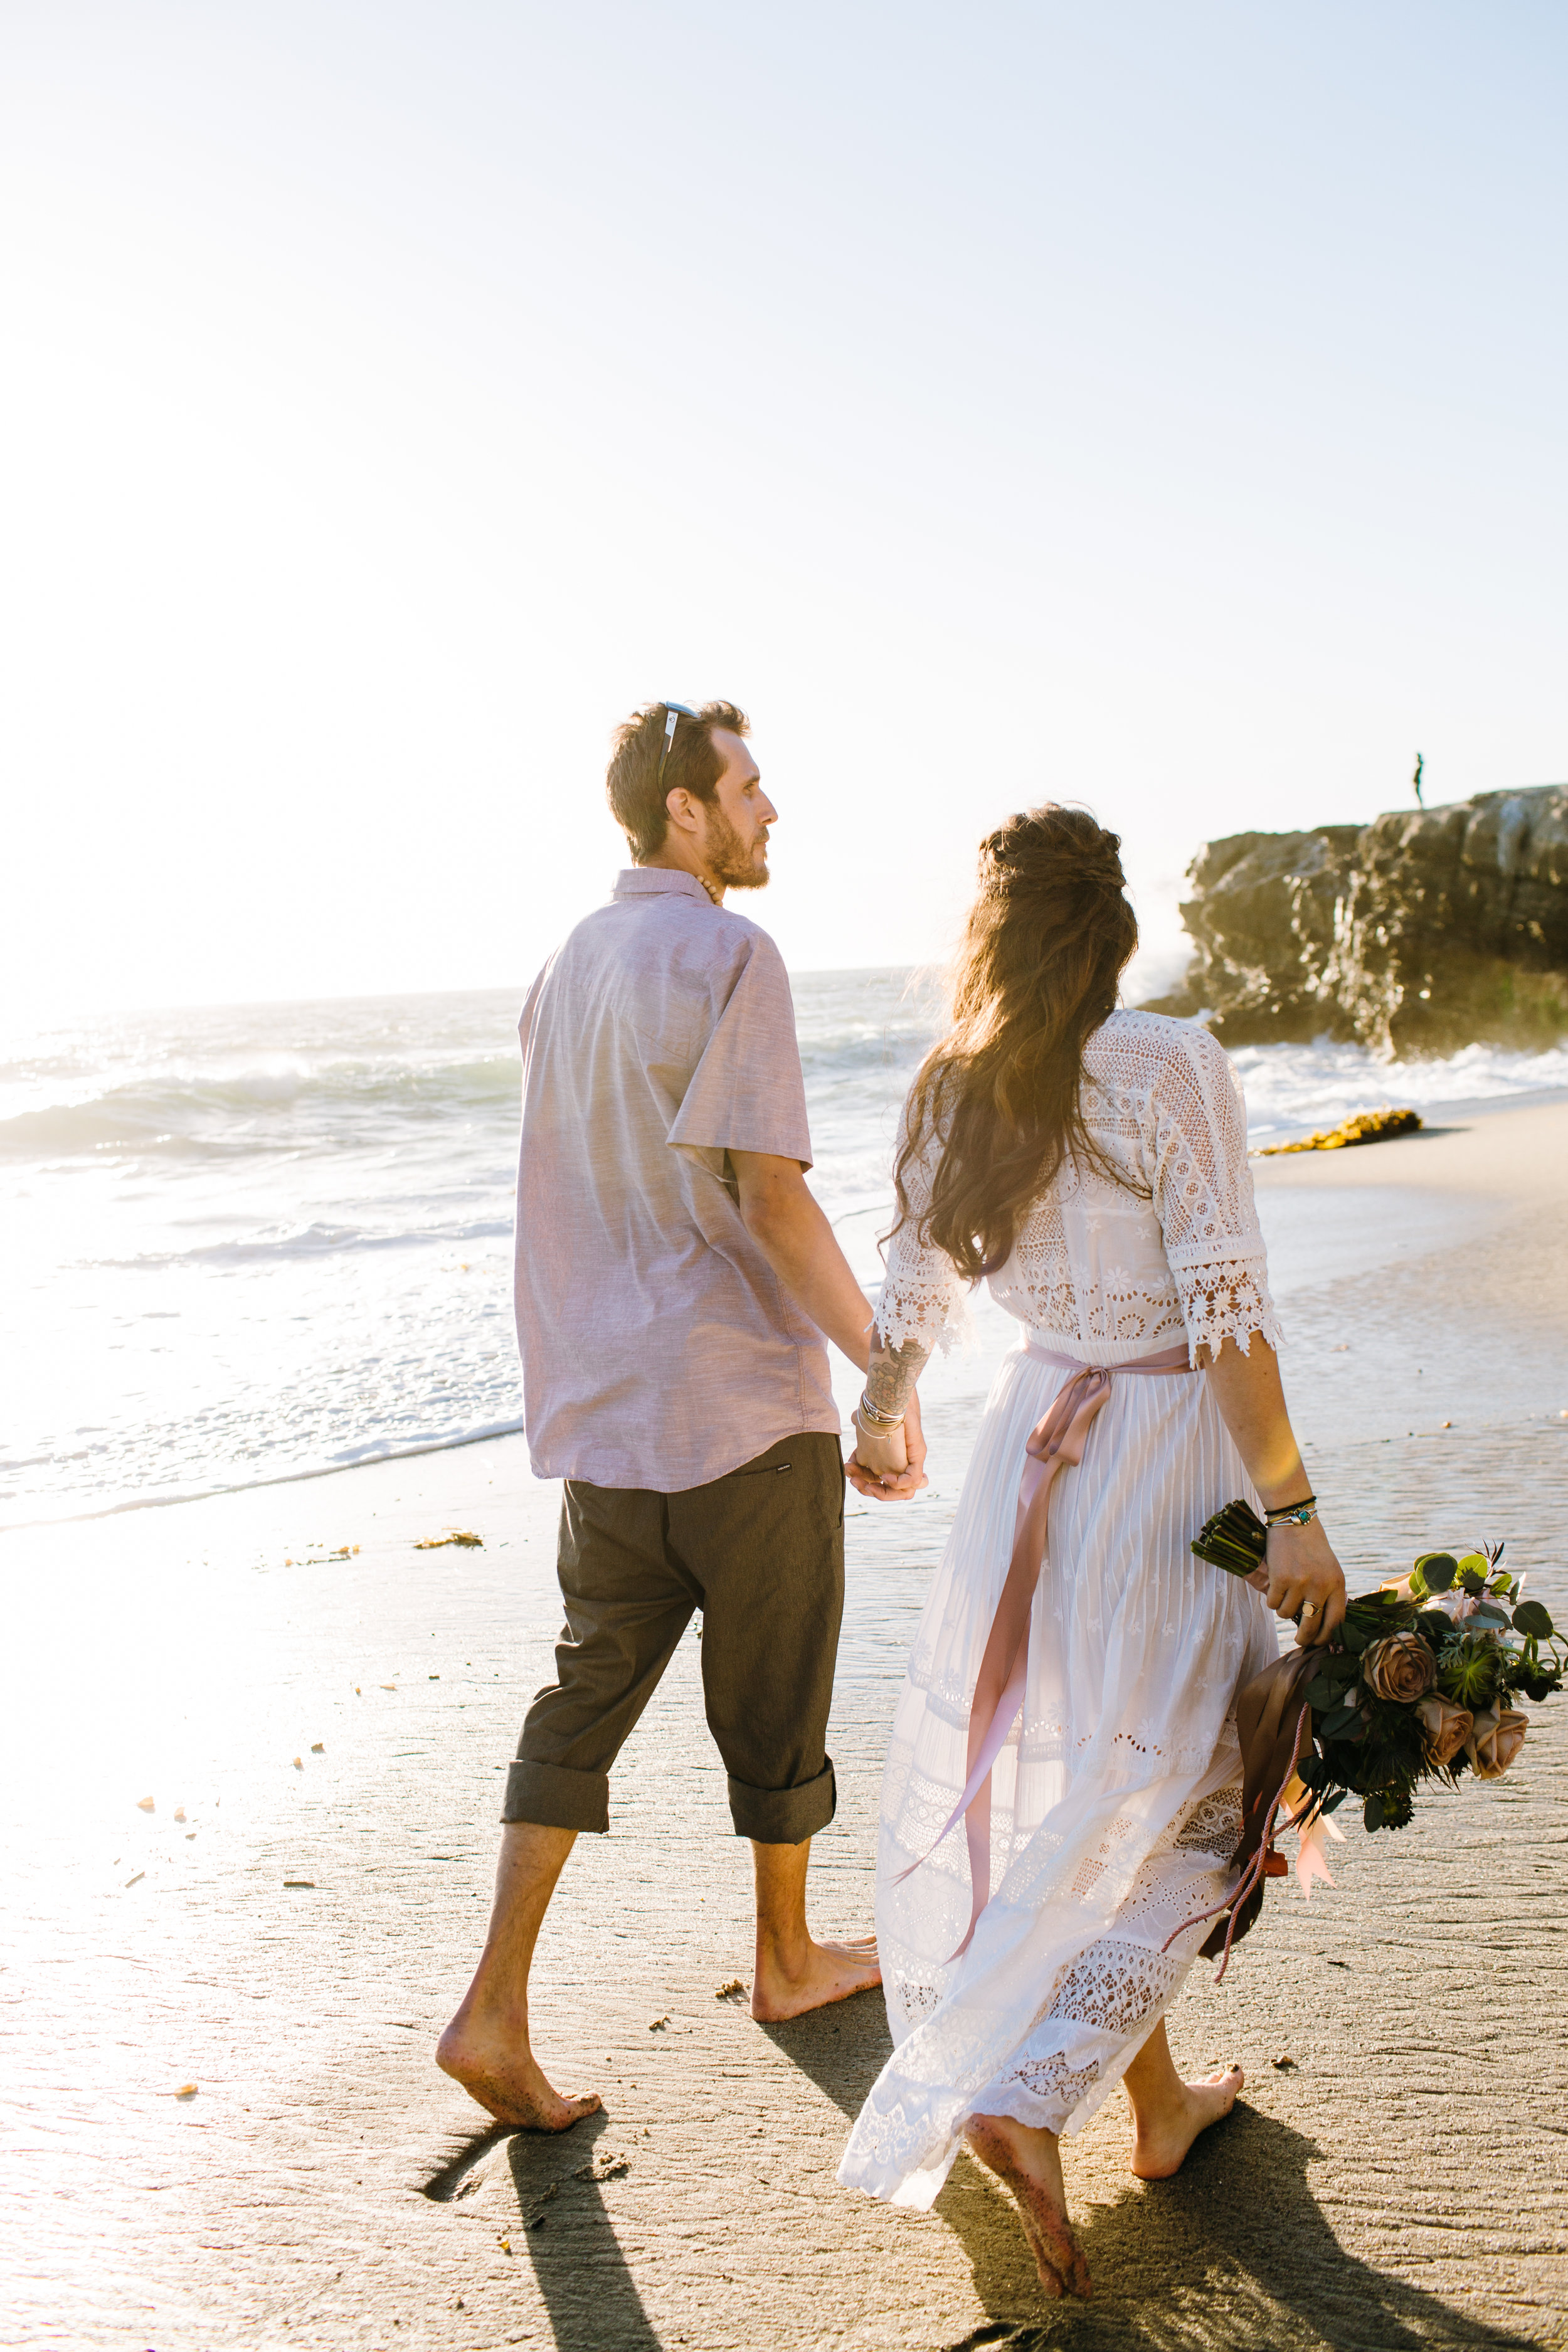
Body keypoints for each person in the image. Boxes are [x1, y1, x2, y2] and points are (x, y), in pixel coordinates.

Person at [836, 807, 1345, 2301]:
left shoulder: (951, 1085)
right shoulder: (1163, 1064)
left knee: (1087, 1774)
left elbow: (911, 1282)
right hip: (1160, 1463)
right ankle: (1036, 2081)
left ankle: (1159, 2107)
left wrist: (879, 1415)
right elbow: (1226, 1319)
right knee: (1205, 1787)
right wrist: (1295, 1513)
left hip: (1025, 1459)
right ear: (1111, 931)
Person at [438, 699, 924, 2133]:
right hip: (735, 1406)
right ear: (683, 813)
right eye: (751, 789)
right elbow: (766, 1200)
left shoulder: (562, 966)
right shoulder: (730, 953)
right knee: (776, 1694)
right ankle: (785, 1958)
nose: (771, 811)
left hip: (603, 1413)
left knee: (582, 1693)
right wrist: (885, 1380)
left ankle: (491, 2007)